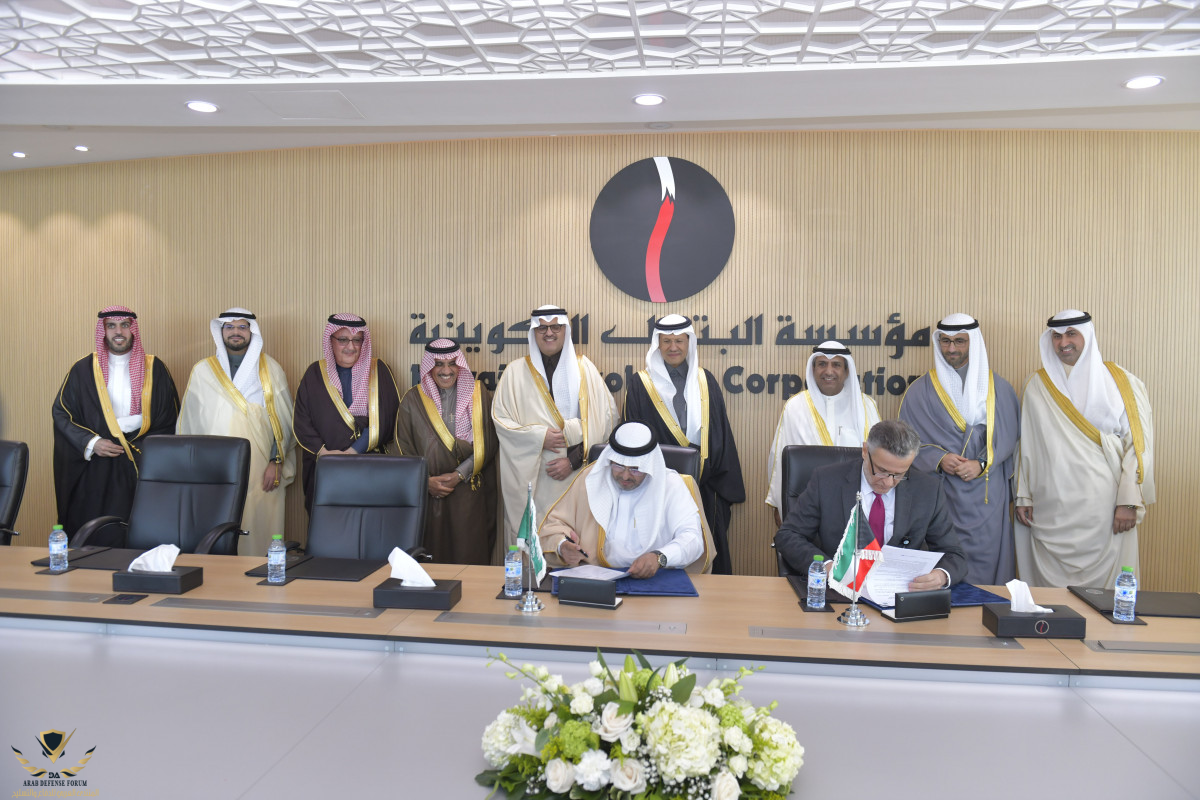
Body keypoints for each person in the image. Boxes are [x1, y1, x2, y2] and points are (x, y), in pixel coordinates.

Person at [1014, 310, 1154, 588]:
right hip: (1050, 504)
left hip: (1102, 504)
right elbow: (1026, 444)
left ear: (1087, 336)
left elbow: (1137, 446)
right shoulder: (1036, 385)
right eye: (1056, 336)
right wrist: (1023, 495)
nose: (1063, 342)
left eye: (1071, 334)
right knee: (1050, 593)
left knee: (1103, 592)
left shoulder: (1122, 382)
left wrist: (1128, 501)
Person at [898, 313, 1020, 585]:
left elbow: (1009, 436)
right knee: (941, 554)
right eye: (945, 341)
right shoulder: (919, 391)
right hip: (941, 491)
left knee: (989, 558)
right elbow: (905, 441)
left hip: (986, 492)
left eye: (959, 341)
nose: (951, 348)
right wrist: (939, 458)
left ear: (973, 343)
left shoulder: (999, 389)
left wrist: (981, 463)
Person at [774, 419, 967, 588]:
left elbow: (953, 553)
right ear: (865, 451)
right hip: (840, 591)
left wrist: (941, 576)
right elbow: (788, 535)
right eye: (881, 471)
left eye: (899, 474)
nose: (888, 482)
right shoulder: (826, 481)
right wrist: (827, 567)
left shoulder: (928, 490)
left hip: (899, 596)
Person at [622, 314, 745, 574]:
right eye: (666, 341)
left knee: (706, 553)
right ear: (657, 344)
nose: (673, 347)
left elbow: (721, 433)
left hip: (705, 485)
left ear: (689, 342)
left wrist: (714, 479)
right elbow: (633, 439)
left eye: (679, 340)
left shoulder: (705, 380)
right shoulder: (641, 384)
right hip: (656, 487)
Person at [492, 305, 617, 548]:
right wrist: (539, 437)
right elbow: (501, 421)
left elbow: (605, 421)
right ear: (533, 332)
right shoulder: (514, 372)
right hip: (533, 477)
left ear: (565, 330)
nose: (549, 333)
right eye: (542, 328)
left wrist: (573, 460)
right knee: (534, 545)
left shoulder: (585, 369)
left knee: (573, 544)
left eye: (556, 327)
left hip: (576, 476)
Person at [52, 306, 179, 541]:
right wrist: (92, 442)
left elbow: (168, 417)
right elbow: (62, 413)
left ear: (133, 329)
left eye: (124, 325)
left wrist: (132, 428)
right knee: (95, 532)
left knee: (140, 531)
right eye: (111, 326)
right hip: (96, 465)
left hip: (140, 463)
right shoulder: (83, 369)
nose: (118, 332)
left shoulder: (154, 368)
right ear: (103, 330)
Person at [177, 309, 296, 556]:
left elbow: (284, 421)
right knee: (215, 523)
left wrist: (276, 462)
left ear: (252, 331)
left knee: (257, 523)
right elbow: (188, 423)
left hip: (260, 466)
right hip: (212, 467)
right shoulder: (202, 370)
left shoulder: (271, 369)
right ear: (220, 331)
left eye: (242, 327)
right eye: (229, 327)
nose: (236, 332)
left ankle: (258, 572)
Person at [540, 422, 713, 576]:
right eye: (618, 466)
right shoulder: (591, 479)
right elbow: (553, 525)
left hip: (656, 579)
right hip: (597, 577)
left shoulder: (672, 485)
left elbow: (693, 539)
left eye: (635, 469)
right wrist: (562, 546)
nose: (625, 476)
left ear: (649, 465)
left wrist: (660, 557)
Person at [394, 339, 498, 564]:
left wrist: (460, 474)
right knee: (433, 557)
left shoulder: (478, 394)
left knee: (469, 557)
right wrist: (425, 482)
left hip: (468, 492)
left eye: (452, 363)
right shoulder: (412, 400)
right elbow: (403, 449)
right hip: (431, 494)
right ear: (429, 367)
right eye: (439, 364)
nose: (446, 371)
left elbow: (489, 442)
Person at [292, 313, 401, 513]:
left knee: (368, 523)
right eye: (343, 339)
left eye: (357, 340)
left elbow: (387, 418)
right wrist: (324, 453)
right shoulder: (314, 373)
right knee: (326, 523)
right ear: (330, 341)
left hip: (368, 466)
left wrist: (353, 452)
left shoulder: (379, 370)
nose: (351, 347)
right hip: (325, 467)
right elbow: (302, 421)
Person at [765, 342, 881, 526]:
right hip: (807, 503)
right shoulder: (795, 407)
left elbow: (879, 458)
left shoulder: (866, 406)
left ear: (846, 371)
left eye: (836, 365)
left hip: (855, 503)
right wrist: (780, 505)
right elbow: (780, 459)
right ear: (813, 369)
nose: (829, 371)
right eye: (822, 364)